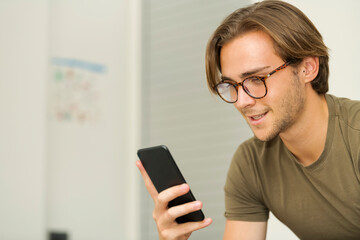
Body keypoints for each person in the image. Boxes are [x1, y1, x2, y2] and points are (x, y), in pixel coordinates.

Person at [136, 0, 360, 239]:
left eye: (256, 78)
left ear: (307, 68)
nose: (241, 102)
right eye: (231, 85)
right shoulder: (251, 163)